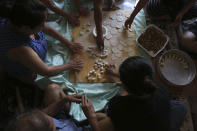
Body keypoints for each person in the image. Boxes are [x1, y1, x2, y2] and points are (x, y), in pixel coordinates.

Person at [0, 0, 84, 84]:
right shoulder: (21, 49)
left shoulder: (23, 20)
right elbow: (46, 71)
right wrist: (69, 65)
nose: (44, 25)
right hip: (33, 73)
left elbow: (46, 28)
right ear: (26, 28)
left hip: (39, 52)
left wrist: (68, 43)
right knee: (62, 79)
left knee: (66, 37)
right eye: (41, 25)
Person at [105, 56, 187, 131]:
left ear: (125, 87)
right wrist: (119, 75)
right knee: (181, 107)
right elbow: (138, 81)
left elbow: (115, 116)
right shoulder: (161, 89)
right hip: (156, 123)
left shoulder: (116, 104)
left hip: (138, 125)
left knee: (108, 118)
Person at [5, 83, 114, 131]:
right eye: (50, 122)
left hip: (64, 122)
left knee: (53, 89)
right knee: (108, 122)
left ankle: (73, 117)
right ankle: (82, 122)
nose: (47, 116)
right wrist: (91, 117)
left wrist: (64, 100)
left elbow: (45, 113)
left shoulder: (32, 124)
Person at [125, 0, 197, 29]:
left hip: (183, 3)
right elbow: (143, 1)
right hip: (167, 2)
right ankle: (170, 16)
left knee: (195, 10)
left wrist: (181, 13)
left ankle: (172, 16)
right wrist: (132, 17)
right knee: (150, 9)